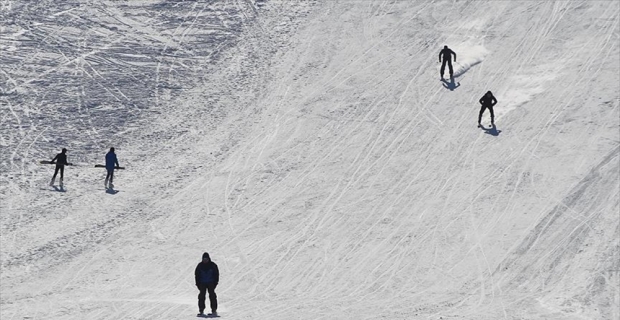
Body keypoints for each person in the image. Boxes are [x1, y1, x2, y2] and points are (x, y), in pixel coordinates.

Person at [195, 252, 219, 317]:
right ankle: (201, 310)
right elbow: (197, 275)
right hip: (202, 283)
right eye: (204, 259)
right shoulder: (200, 266)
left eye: (206, 259)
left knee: (212, 296)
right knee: (201, 296)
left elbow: (216, 274)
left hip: (211, 283)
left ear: (209, 259)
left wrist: (215, 283)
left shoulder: (213, 265)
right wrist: (198, 284)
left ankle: (214, 310)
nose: (205, 260)